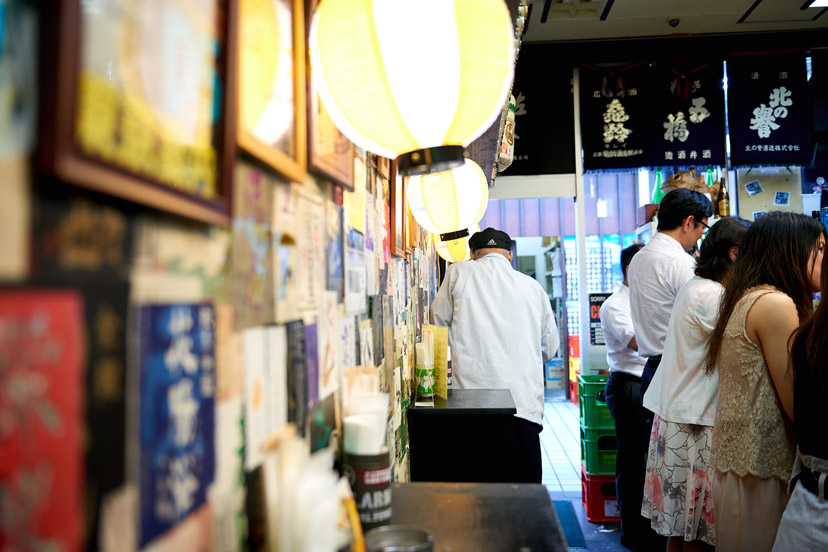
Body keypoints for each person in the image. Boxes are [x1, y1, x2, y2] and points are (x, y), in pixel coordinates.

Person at [705, 212, 825, 551]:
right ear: (791, 250)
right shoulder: (774, 303)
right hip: (762, 469)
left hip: (745, 468)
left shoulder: (749, 296)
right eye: (820, 248)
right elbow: (798, 404)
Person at [641, 217, 751, 552]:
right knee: (698, 533)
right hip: (695, 424)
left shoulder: (698, 287)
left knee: (682, 530)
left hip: (682, 416)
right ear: (734, 254)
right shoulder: (713, 296)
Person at [431, 227, 559, 483]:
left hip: (471, 410)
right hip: (522, 410)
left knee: (475, 499)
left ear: (472, 254)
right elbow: (549, 348)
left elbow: (437, 327)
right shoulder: (533, 288)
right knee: (523, 501)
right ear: (509, 256)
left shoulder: (458, 272)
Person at [773, 221, 828, 551]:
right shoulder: (781, 310)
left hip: (807, 502)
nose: (820, 258)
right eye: (817, 249)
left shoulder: (808, 335)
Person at [600, 243, 649, 551]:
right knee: (631, 465)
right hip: (628, 386)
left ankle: (648, 532)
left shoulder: (645, 300)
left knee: (649, 465)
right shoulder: (615, 305)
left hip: (647, 384)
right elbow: (636, 342)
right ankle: (632, 535)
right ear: (632, 270)